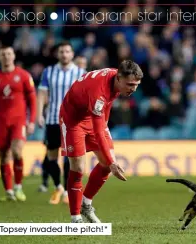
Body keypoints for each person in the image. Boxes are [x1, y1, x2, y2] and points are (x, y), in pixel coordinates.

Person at [59, 60, 143, 223]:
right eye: (130, 85)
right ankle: (75, 217)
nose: (133, 89)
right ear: (118, 78)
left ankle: (86, 204)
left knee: (106, 164)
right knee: (78, 167)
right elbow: (98, 131)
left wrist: (110, 161)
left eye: (136, 85)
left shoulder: (117, 79)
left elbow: (106, 109)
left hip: (93, 116)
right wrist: (112, 161)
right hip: (73, 120)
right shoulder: (100, 92)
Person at [0, 45, 37, 202]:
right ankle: (9, 191)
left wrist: (31, 121)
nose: (6, 56)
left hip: (19, 121)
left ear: (14, 56)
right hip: (1, 122)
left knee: (17, 152)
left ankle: (18, 186)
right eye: (3, 54)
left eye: (9, 53)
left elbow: (33, 100)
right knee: (4, 157)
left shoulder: (24, 75)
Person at [37, 41, 86, 205]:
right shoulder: (49, 72)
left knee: (69, 158)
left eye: (67, 51)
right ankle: (58, 186)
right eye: (61, 52)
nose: (64, 54)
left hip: (72, 122)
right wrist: (39, 114)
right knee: (51, 157)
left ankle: (65, 191)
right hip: (52, 119)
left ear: (72, 54)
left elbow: (86, 98)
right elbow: (42, 94)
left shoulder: (81, 72)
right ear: (57, 54)